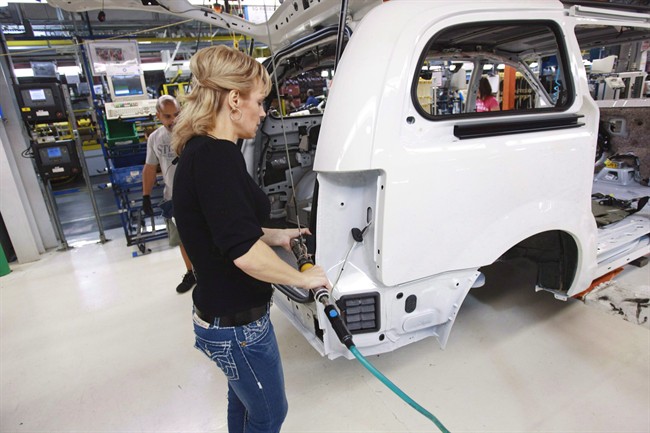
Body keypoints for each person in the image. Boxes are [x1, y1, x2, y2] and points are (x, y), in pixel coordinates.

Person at [171, 45, 331, 433]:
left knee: (243, 408)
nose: (264, 112)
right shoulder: (216, 159)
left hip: (223, 318)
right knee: (269, 415)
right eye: (260, 102)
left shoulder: (205, 152)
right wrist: (305, 279)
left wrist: (275, 235)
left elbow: (225, 226)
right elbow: (243, 254)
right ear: (235, 99)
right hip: (237, 327)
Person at [141, 95, 196, 294]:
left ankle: (212, 271)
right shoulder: (155, 138)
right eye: (167, 116)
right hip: (173, 196)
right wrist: (146, 195)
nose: (173, 120)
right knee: (182, 238)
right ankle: (191, 273)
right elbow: (149, 167)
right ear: (158, 116)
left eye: (177, 115)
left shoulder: (193, 131)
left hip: (198, 195)